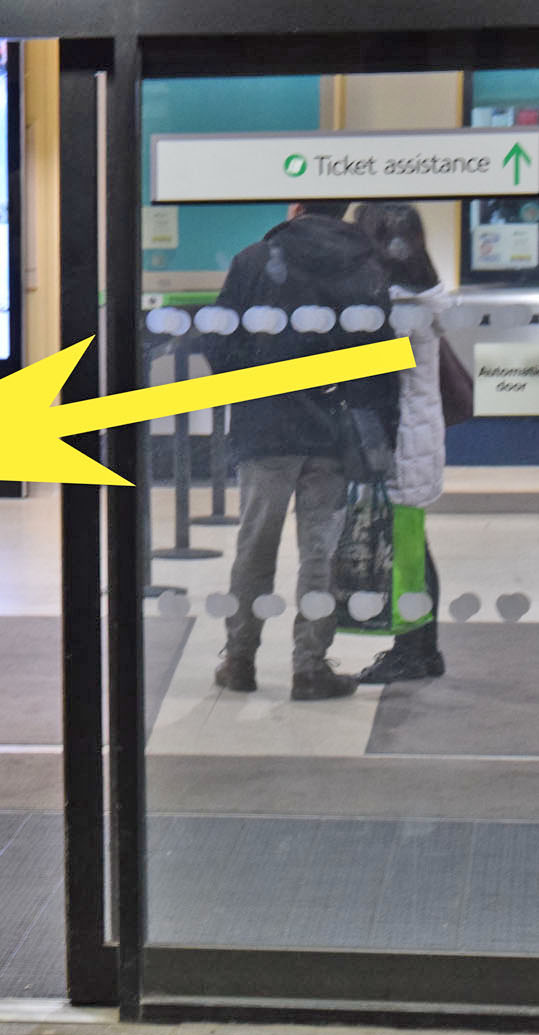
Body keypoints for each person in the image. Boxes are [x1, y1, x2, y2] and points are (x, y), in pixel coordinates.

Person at [204, 200, 399, 701]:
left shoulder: (253, 260)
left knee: (255, 545)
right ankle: (310, 666)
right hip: (334, 431)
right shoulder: (366, 266)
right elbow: (380, 359)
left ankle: (240, 660)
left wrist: (251, 388)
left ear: (296, 208)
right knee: (321, 550)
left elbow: (220, 345)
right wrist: (379, 432)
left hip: (266, 428)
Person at [352, 202, 449, 683]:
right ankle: (424, 650)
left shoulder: (400, 305)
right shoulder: (419, 292)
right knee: (413, 547)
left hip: (404, 441)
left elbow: (377, 367)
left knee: (407, 552)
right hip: (415, 434)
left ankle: (412, 651)